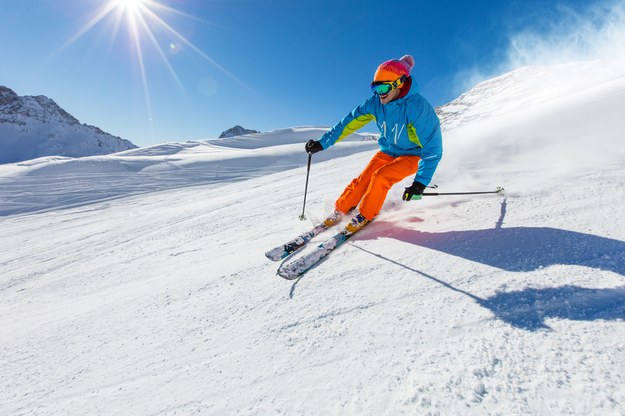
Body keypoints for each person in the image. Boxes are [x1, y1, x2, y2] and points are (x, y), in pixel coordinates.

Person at [305, 54, 443, 233]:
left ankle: (366, 214)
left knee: (381, 177)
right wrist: (322, 143)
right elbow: (348, 122)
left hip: (413, 154)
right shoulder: (375, 104)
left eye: (384, 87)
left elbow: (433, 148)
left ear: (399, 83)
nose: (380, 94)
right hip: (389, 151)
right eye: (375, 88)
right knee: (365, 178)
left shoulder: (418, 107)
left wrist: (420, 183)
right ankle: (342, 209)